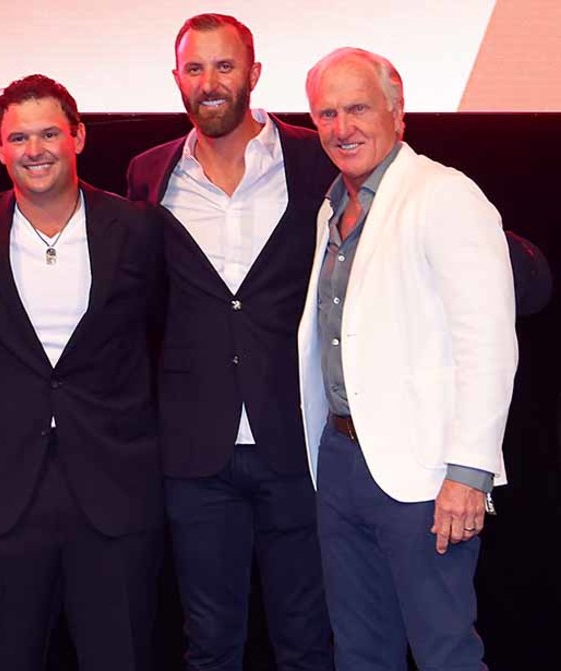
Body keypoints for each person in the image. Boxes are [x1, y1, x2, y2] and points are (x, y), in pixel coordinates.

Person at [0, 74, 168, 670]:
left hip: (116, 489)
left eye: (48, 134)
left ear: (78, 138)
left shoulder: (139, 230)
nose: (34, 150)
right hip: (3, 492)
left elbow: (170, 338)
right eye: (18, 137)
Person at [125, 14, 334, 670]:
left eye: (224, 66)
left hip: (297, 444)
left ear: (254, 73)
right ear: (177, 80)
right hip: (194, 454)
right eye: (194, 68)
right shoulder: (149, 173)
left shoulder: (314, 157)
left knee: (306, 638)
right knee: (210, 642)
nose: (209, 82)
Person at [301, 47, 517, 670]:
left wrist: (469, 471)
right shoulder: (332, 209)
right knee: (361, 653)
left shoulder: (445, 195)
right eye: (327, 113)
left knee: (445, 651)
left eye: (359, 108)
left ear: (398, 112)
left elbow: (488, 340)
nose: (343, 128)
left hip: (425, 476)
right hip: (341, 462)